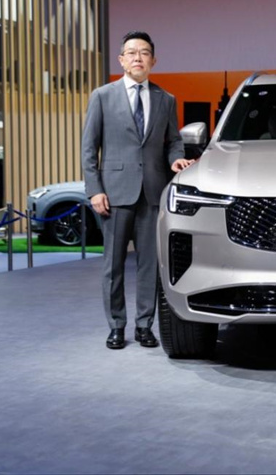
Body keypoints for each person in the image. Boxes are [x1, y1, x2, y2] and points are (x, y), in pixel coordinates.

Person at [82, 31, 193, 350]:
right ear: (121, 60)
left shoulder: (166, 99)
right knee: (113, 266)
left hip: (152, 192)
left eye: (144, 52)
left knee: (150, 265)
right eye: (131, 52)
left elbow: (174, 141)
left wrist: (175, 160)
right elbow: (89, 148)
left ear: (153, 60)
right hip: (114, 194)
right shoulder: (102, 96)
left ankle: (144, 325)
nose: (137, 58)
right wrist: (95, 190)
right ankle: (116, 326)